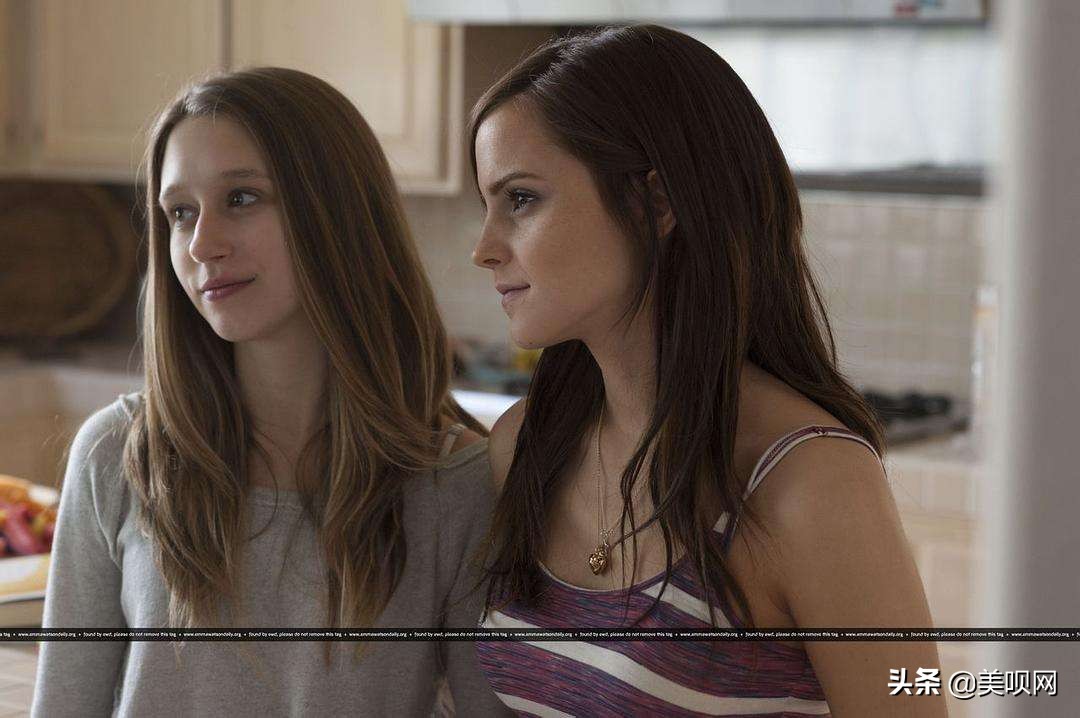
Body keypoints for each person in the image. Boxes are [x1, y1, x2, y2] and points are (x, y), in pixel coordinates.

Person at [469, 26, 948, 717]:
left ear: (656, 203)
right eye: (487, 206)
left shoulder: (808, 484)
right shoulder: (525, 445)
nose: (484, 248)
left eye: (520, 199)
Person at [33, 67, 508, 717]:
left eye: (242, 198)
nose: (202, 244)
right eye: (180, 213)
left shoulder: (455, 486)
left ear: (338, 212)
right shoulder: (116, 456)